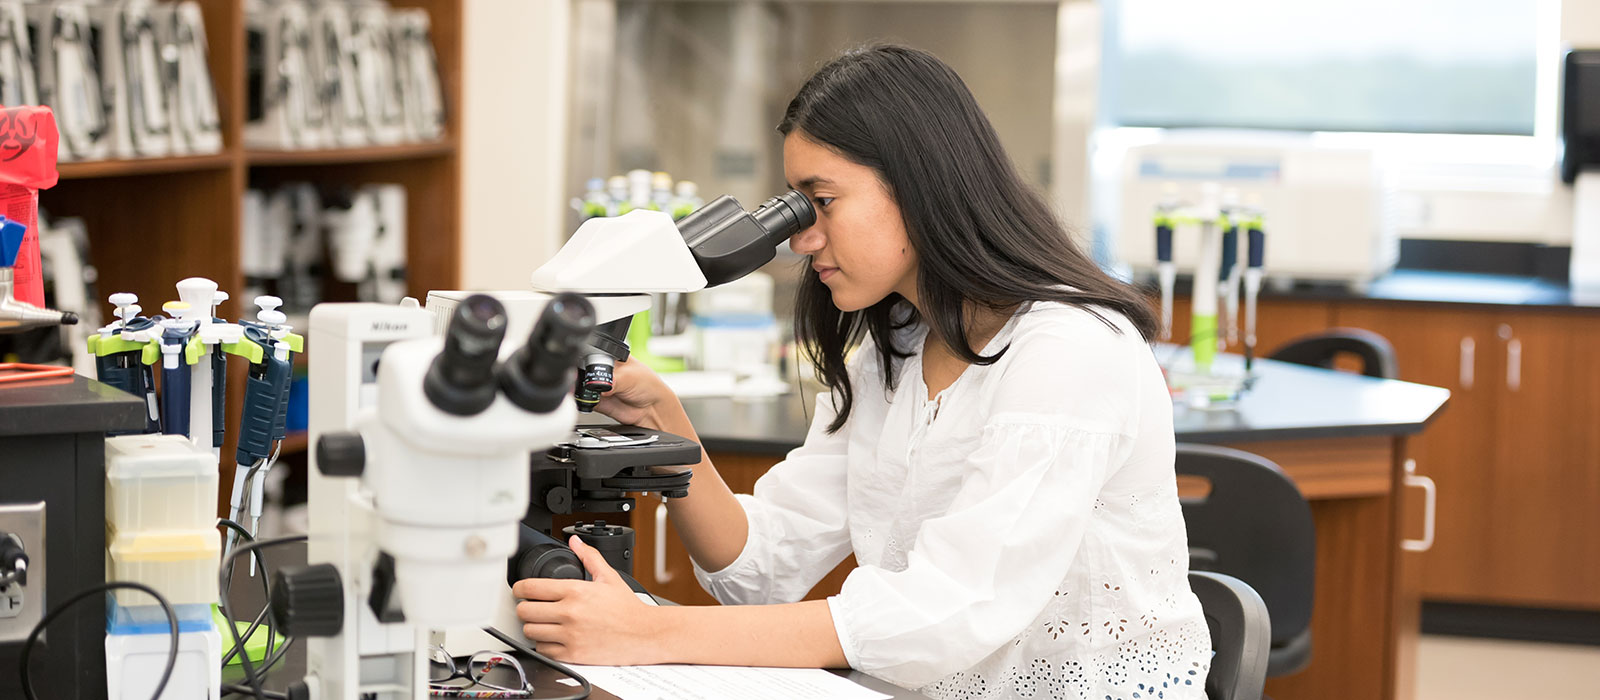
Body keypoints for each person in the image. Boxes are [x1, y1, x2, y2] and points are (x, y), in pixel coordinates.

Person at [512, 44, 1212, 699]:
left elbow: (948, 610)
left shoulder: (1069, 351)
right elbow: (760, 568)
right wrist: (661, 417)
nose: (801, 237)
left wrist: (650, 632)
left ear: (917, 184)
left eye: (822, 202)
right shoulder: (895, 351)